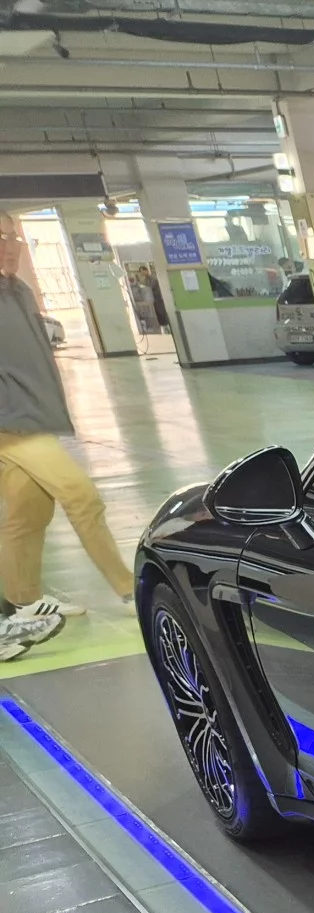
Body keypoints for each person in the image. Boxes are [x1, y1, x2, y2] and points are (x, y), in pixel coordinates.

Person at [0, 211, 133, 639]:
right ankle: (131, 590)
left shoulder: (18, 291)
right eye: (1, 237)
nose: (11, 246)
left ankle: (23, 601)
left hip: (34, 414)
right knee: (81, 495)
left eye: (14, 237)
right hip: (10, 422)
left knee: (30, 511)